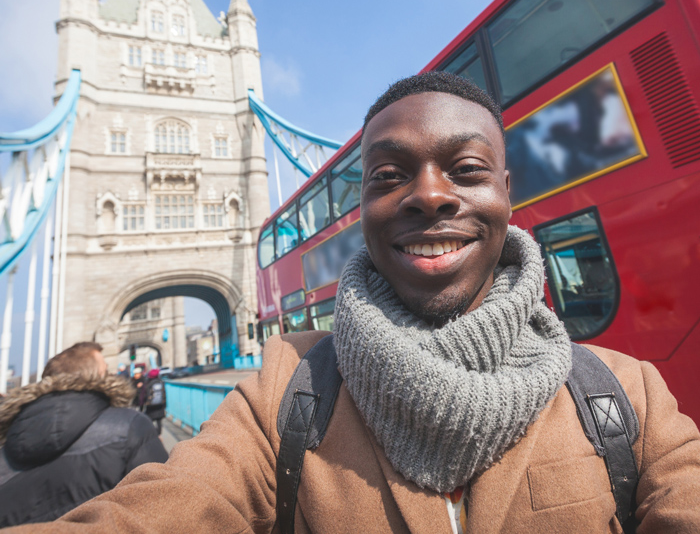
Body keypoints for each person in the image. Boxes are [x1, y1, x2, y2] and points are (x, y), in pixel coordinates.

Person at [6, 73, 700, 533]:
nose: (429, 196)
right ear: (363, 207)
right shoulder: (285, 393)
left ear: (508, 195)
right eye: (389, 175)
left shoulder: (625, 398)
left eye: (465, 170)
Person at [0, 341, 168, 526]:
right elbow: (165, 508)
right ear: (98, 377)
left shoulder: (5, 449)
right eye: (106, 369)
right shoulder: (130, 427)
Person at [141, 369, 166, 435]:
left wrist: (142, 405)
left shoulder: (148, 383)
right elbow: (164, 394)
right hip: (160, 405)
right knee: (159, 420)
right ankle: (159, 434)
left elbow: (144, 395)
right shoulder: (161, 382)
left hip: (150, 405)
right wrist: (165, 405)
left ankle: (153, 434)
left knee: (149, 420)